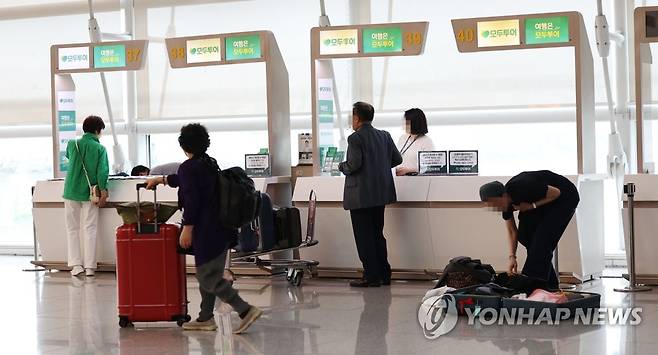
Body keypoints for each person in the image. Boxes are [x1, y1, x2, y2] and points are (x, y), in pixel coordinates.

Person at [145, 123, 261, 334]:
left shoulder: (189, 167)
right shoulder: (208, 163)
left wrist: (187, 228)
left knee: (208, 276)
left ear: (183, 145)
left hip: (207, 231)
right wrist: (161, 180)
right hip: (223, 228)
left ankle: (245, 310)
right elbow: (185, 180)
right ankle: (205, 318)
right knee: (207, 273)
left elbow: (192, 200)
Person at [479, 170, 580, 289]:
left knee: (542, 240)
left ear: (503, 195)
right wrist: (512, 257)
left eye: (494, 203)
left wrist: (532, 206)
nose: (494, 207)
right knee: (526, 236)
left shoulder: (522, 187)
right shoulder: (505, 204)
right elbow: (512, 231)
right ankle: (550, 286)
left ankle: (531, 285)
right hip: (541, 201)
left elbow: (556, 193)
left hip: (565, 196)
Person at [339, 102, 403, 287]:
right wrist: (378, 167)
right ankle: (384, 274)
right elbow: (397, 159)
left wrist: (341, 166)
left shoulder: (355, 138)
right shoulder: (384, 136)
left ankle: (371, 276)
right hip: (380, 194)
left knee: (364, 237)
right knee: (377, 234)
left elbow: (353, 165)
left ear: (357, 118)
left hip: (360, 196)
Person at [63, 115, 109, 277]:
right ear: (97, 130)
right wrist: (104, 191)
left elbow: (69, 158)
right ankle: (90, 267)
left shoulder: (72, 143)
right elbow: (102, 172)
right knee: (90, 228)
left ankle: (76, 266)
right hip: (90, 192)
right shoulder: (100, 149)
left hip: (70, 191)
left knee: (72, 229)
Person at [396, 108, 435, 176]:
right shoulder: (402, 138)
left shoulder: (427, 141)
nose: (404, 125)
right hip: (400, 179)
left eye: (407, 123)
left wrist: (408, 170)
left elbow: (429, 167)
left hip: (417, 179)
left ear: (415, 123)